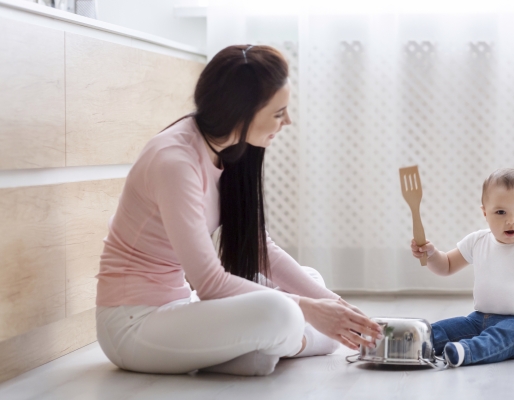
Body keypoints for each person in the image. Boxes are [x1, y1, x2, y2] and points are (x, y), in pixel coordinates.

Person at [95, 44, 383, 376]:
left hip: (180, 308)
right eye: (278, 113)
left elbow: (261, 249)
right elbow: (210, 283)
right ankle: (279, 344)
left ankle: (256, 354)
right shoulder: (175, 162)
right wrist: (313, 312)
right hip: (133, 325)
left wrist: (337, 307)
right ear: (242, 112)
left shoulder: (230, 146)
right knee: (283, 312)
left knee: (308, 282)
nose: (287, 121)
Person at [410, 168, 514, 367]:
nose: (511, 220)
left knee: (504, 335)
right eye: (500, 212)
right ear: (485, 213)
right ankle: (407, 344)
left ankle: (467, 351)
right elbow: (446, 265)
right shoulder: (477, 241)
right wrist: (431, 255)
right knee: (442, 329)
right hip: (479, 320)